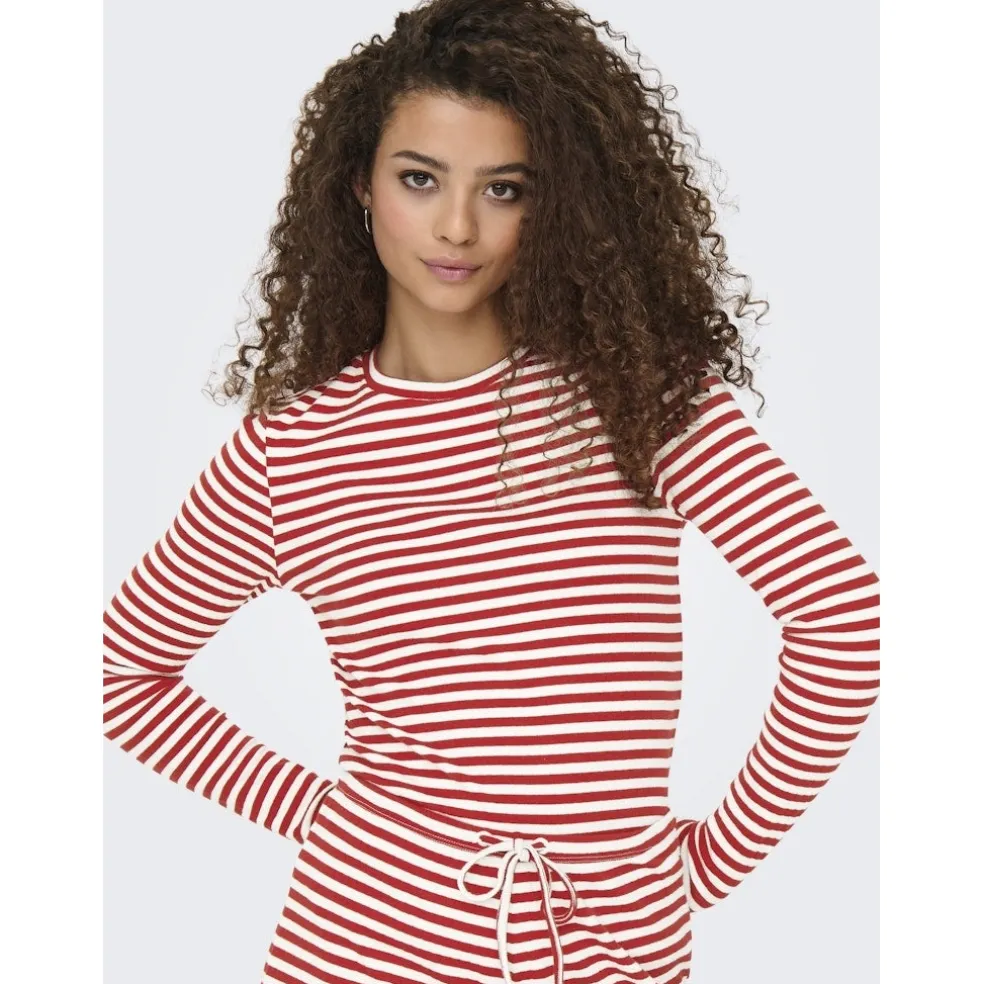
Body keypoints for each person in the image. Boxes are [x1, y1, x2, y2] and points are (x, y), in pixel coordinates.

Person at [103, 1, 880, 982]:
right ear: (360, 185)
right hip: (358, 942)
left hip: (611, 954)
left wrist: (711, 860)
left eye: (503, 188)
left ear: (553, 203)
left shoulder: (640, 399)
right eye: (419, 178)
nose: (458, 227)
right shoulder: (288, 454)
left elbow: (838, 615)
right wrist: (321, 812)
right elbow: (122, 676)